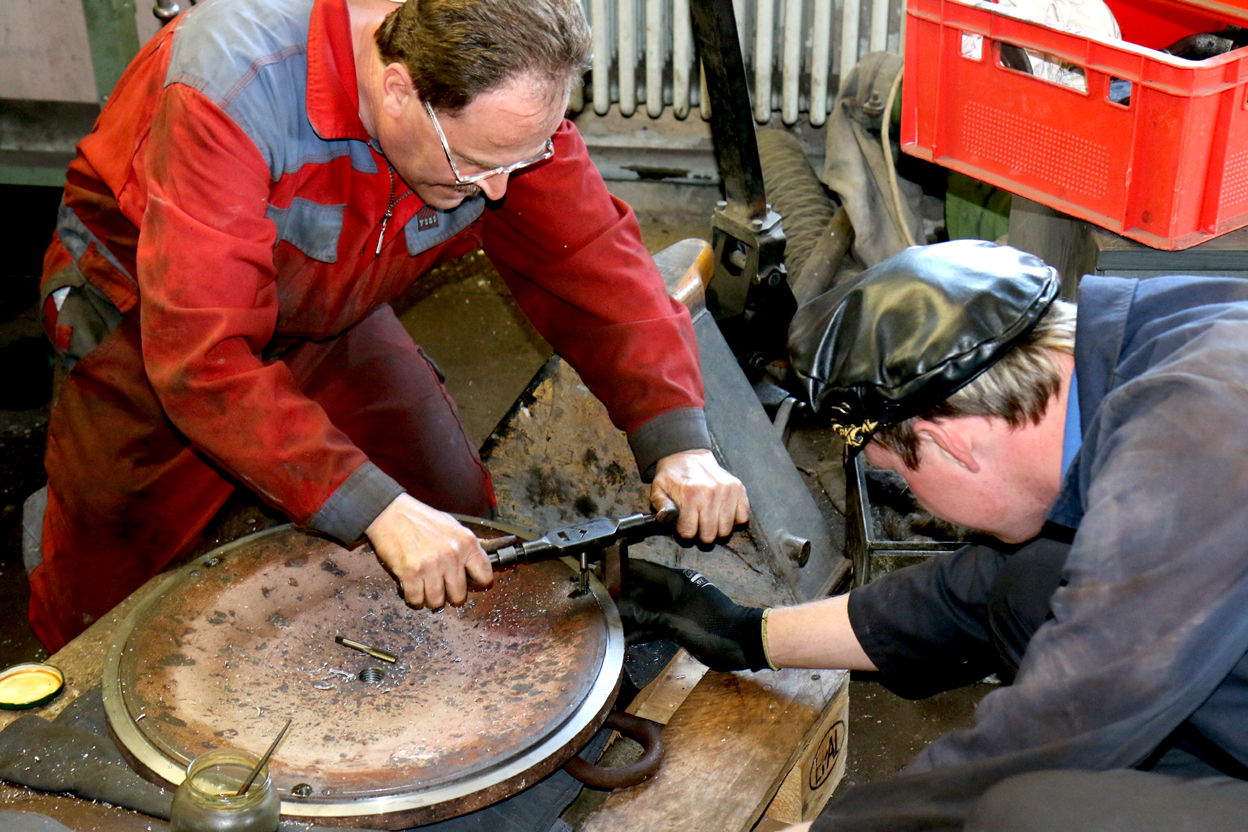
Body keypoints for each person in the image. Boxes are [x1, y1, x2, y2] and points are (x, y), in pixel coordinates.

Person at [32, 0, 749, 653]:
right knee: (110, 588)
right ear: (398, 89)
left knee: (460, 522)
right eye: (473, 165)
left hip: (328, 305)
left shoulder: (495, 90)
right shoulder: (228, 88)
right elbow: (204, 358)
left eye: (520, 159)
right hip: (152, 313)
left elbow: (595, 264)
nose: (500, 190)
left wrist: (678, 440)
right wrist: (375, 509)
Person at [620, 239, 1248, 830]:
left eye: (899, 478)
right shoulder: (1143, 351)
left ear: (948, 443)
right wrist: (742, 633)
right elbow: (974, 589)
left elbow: (1061, 725)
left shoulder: (1196, 452)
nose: (917, 501)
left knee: (1032, 815)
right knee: (1031, 578)